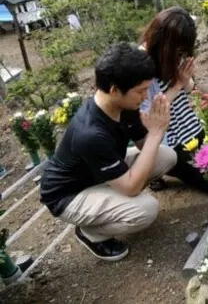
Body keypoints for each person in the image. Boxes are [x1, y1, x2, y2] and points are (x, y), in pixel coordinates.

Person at [40, 43, 177, 261]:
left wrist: (155, 126)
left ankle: (111, 197)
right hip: (69, 193)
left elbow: (145, 146)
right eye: (141, 91)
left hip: (99, 173)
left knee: (166, 156)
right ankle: (91, 232)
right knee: (145, 209)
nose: (145, 96)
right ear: (114, 89)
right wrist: (155, 133)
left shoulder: (124, 105)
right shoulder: (90, 133)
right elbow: (132, 188)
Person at [140, 7, 208, 193]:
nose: (181, 55)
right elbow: (148, 118)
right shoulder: (140, 65)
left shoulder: (170, 54)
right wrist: (178, 85)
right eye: (179, 50)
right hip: (168, 141)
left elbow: (187, 86)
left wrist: (196, 91)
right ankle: (157, 170)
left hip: (190, 127)